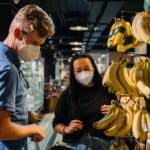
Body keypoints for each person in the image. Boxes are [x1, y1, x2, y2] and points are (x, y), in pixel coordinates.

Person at [0, 4, 55, 150]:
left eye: (40, 45)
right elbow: (2, 130)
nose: (36, 50)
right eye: (34, 43)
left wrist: (22, 113)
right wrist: (33, 129)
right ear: (18, 33)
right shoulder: (8, 70)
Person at [52, 54, 116, 150]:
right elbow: (56, 123)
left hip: (104, 145)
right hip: (74, 145)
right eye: (78, 71)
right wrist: (66, 129)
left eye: (87, 68)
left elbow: (122, 115)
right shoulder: (67, 95)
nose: (83, 73)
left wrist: (115, 112)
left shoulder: (108, 90)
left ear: (93, 68)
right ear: (73, 74)